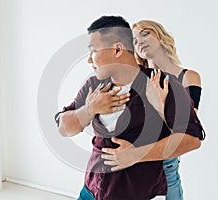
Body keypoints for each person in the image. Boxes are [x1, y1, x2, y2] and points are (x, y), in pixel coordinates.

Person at [55, 16, 205, 200]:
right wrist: (89, 109)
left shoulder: (165, 85)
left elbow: (192, 139)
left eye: (93, 51)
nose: (89, 60)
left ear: (118, 49)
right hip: (90, 192)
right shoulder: (93, 85)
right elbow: (63, 127)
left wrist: (136, 155)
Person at [102, 19, 203, 200]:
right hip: (125, 165)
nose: (139, 40)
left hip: (164, 166)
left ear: (161, 36)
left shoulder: (187, 77)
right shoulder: (133, 77)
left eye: (145, 33)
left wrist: (159, 104)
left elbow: (185, 133)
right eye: (133, 40)